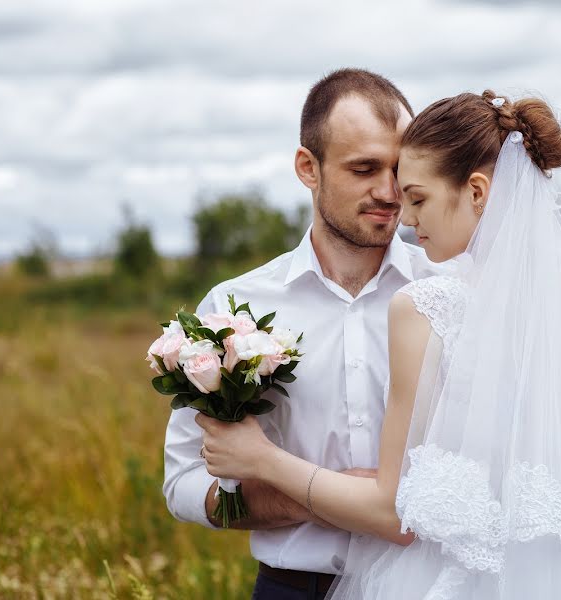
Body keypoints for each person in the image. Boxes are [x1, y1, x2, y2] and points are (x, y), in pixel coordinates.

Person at [196, 89, 561, 598]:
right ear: (309, 167)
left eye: (416, 196)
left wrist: (261, 459)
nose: (402, 215)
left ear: (476, 192)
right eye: (366, 170)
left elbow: (395, 513)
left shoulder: (426, 305)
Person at [163, 68, 451, 600]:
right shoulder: (234, 307)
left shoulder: (450, 293)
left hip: (432, 586)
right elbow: (183, 484)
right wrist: (317, 499)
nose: (389, 192)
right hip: (294, 589)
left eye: (399, 168)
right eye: (364, 168)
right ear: (307, 167)